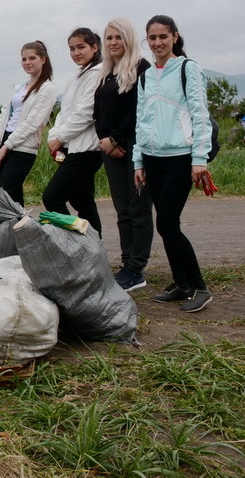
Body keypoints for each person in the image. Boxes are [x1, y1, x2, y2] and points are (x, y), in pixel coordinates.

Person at [134, 15, 213, 313]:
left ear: (175, 37)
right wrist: (138, 161)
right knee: (167, 225)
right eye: (152, 38)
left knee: (166, 223)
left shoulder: (188, 69)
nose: (157, 43)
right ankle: (182, 284)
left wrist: (199, 159)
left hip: (181, 158)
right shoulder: (146, 75)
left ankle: (199, 287)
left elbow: (200, 113)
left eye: (163, 37)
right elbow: (143, 120)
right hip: (153, 159)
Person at [94, 17, 154, 292]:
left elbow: (138, 109)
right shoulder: (105, 71)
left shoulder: (141, 68)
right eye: (109, 38)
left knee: (138, 207)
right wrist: (104, 140)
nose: (113, 42)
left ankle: (136, 269)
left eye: (118, 37)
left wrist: (117, 137)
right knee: (122, 209)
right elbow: (98, 111)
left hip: (135, 145)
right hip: (109, 147)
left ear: (128, 39)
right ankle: (126, 263)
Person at [42, 28, 104, 235]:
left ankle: (80, 242)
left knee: (52, 197)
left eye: (81, 47)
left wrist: (60, 138)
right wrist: (54, 137)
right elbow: (64, 112)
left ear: (94, 47)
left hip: (87, 149)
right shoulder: (78, 75)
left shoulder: (98, 73)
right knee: (82, 201)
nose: (76, 53)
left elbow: (85, 112)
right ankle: (93, 247)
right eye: (72, 49)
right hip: (72, 147)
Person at [0, 42, 56, 206]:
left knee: (3, 195)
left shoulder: (47, 89)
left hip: (22, 147)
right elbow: (3, 117)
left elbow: (31, 123)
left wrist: (5, 148)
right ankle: (21, 229)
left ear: (43, 59)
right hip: (4, 142)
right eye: (24, 59)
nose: (27, 62)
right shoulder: (18, 88)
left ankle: (13, 229)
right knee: (14, 200)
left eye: (32, 58)